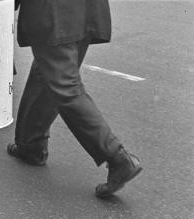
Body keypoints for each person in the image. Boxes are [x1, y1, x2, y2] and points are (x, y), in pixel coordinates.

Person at [8, 0, 142, 198]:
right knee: (50, 73)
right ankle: (30, 144)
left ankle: (118, 158)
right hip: (86, 10)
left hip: (54, 13)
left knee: (64, 84)